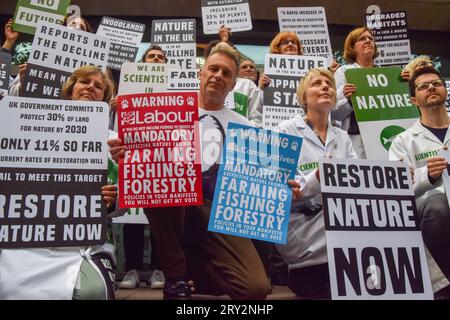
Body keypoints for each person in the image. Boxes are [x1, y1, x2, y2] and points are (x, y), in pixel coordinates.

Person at [109, 43, 271, 300]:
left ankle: (203, 276)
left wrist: (282, 185)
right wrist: (124, 154)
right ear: (201, 73)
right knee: (160, 178)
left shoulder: (245, 126)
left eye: (226, 73)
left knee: (255, 290)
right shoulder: (165, 112)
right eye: (213, 69)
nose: (218, 75)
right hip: (177, 203)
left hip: (219, 211)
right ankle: (176, 278)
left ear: (232, 85)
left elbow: (258, 183)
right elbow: (143, 160)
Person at [0, 65, 118, 300]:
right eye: (85, 82)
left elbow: (123, 203)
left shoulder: (114, 141)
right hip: (28, 241)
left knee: (92, 293)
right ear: (71, 88)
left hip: (84, 246)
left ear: (104, 98)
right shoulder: (31, 128)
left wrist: (113, 198)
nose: (90, 88)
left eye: (98, 87)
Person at [275, 68, 357, 299]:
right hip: (305, 235)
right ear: (303, 97)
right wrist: (317, 180)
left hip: (341, 234)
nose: (325, 87)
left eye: (329, 84)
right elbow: (281, 193)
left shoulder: (341, 137)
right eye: (317, 84)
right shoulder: (284, 132)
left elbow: (358, 182)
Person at [389, 66, 450, 283]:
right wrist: (428, 176)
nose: (431, 87)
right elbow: (397, 190)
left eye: (436, 83)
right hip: (431, 212)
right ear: (414, 100)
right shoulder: (403, 141)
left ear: (445, 90)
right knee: (438, 204)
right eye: (423, 86)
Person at [115, 44, 167, 290]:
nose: (156, 60)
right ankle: (132, 269)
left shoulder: (173, 91)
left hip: (164, 160)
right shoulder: (127, 92)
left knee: (162, 219)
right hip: (134, 159)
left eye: (160, 57)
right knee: (132, 215)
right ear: (142, 63)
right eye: (151, 56)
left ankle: (159, 268)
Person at [331, 26, 379, 159]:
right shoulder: (345, 72)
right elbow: (336, 114)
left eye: (370, 38)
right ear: (352, 47)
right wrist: (350, 102)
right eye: (362, 39)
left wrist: (403, 83)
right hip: (356, 138)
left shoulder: (386, 75)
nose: (368, 41)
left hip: (382, 135)